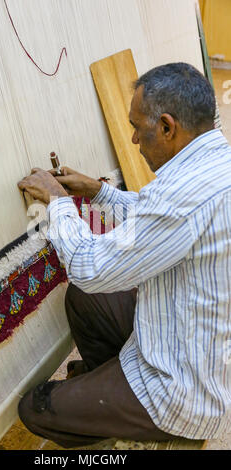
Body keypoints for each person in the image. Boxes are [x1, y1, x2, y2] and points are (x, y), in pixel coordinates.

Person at [17, 63, 231, 448]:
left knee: (35, 408)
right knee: (85, 302)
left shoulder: (182, 195)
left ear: (167, 127)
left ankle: (137, 425)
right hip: (196, 348)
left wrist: (58, 203)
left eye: (138, 127)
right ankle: (108, 395)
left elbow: (89, 267)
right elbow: (160, 219)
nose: (133, 139)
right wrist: (97, 192)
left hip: (180, 391)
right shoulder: (216, 164)